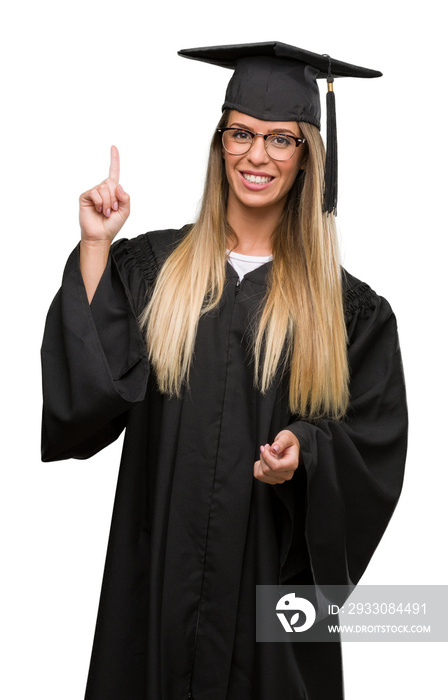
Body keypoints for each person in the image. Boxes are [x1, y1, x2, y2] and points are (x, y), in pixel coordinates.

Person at [41, 42, 408, 700]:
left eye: (280, 140)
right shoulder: (156, 270)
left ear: (307, 159)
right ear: (220, 144)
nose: (257, 155)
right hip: (161, 580)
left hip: (268, 600)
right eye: (241, 133)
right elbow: (96, 387)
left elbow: (371, 438)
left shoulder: (349, 312)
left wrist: (306, 452)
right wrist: (96, 246)